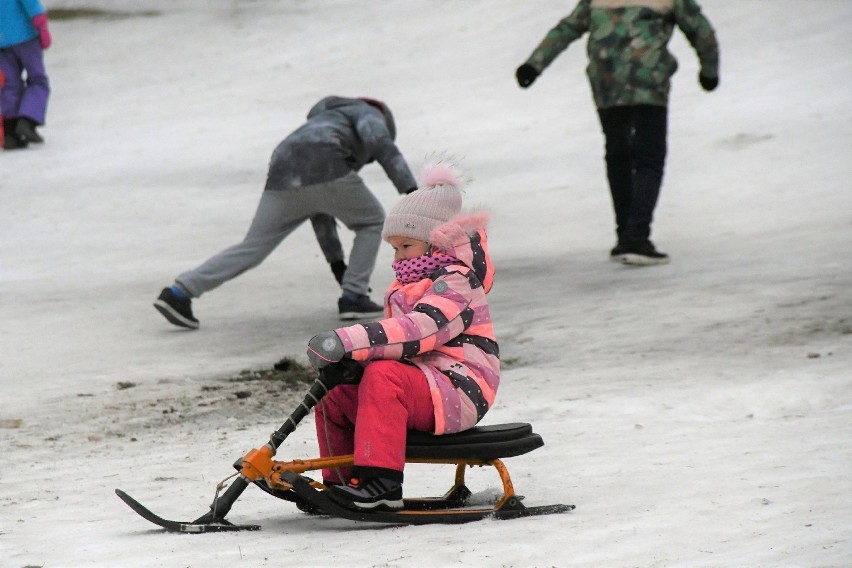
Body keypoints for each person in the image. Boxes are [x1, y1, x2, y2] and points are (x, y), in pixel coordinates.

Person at [305, 161, 499, 511]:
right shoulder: (408, 284)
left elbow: (419, 331)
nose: (398, 258)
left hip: (460, 389)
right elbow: (395, 344)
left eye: (406, 246)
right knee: (337, 392)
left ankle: (382, 483)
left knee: (384, 376)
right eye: (394, 248)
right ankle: (341, 480)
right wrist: (354, 361)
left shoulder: (457, 281)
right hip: (424, 384)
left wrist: (351, 341)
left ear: (435, 243)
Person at [153, 96, 418, 329]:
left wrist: (337, 264)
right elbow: (382, 144)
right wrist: (411, 191)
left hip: (283, 169)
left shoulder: (321, 122)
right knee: (372, 222)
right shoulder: (369, 112)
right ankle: (354, 296)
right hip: (327, 160)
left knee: (253, 246)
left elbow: (320, 211)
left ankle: (180, 292)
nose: (366, 161)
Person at [515, 0, 719, 265]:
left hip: (607, 83)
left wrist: (534, 64)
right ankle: (636, 238)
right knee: (649, 159)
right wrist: (710, 71)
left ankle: (626, 235)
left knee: (618, 155)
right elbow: (701, 30)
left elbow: (567, 28)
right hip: (648, 81)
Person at [0, 0, 52, 149]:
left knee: (10, 85)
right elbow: (31, 4)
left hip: (2, 43)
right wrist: (42, 26)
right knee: (38, 80)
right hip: (26, 36)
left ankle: (10, 132)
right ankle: (27, 120)